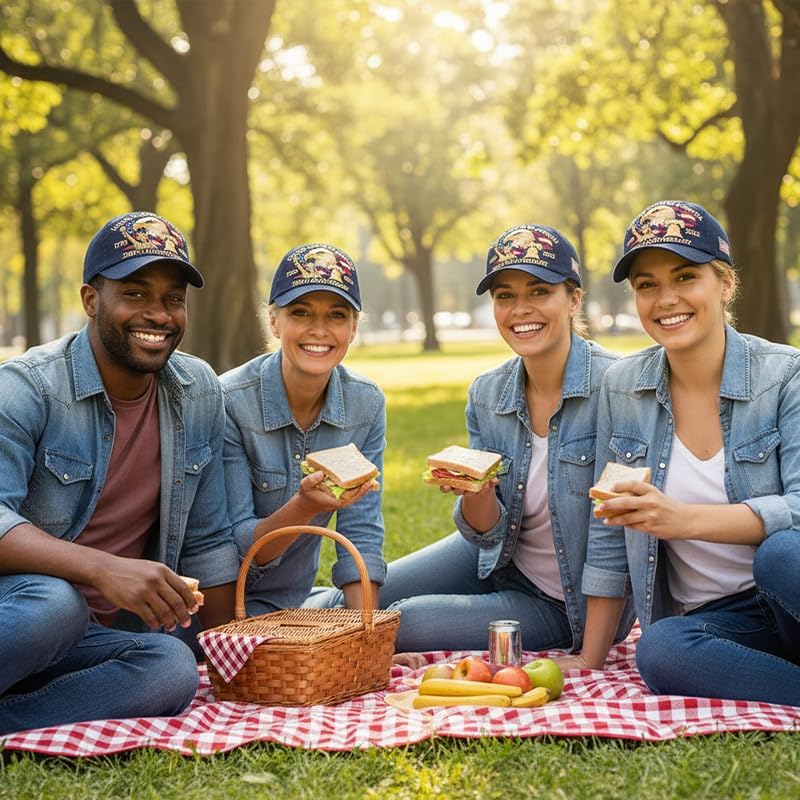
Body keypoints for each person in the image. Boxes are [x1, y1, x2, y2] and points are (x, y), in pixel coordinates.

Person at [0, 211, 239, 735]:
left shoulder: (198, 390)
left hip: (92, 638)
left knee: (170, 666)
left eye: (173, 298)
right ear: (91, 300)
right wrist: (102, 568)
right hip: (22, 612)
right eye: (135, 294)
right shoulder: (27, 388)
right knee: (55, 604)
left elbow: (209, 540)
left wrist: (235, 658)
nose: (159, 314)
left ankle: (11, 718)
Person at [351, 224, 635, 655]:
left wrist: (590, 659)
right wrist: (476, 491)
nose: (521, 309)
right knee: (364, 598)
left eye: (539, 291)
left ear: (574, 299)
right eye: (505, 295)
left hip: (563, 603)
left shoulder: (618, 386)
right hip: (497, 557)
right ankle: (260, 634)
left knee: (401, 624)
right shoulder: (488, 394)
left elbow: (614, 536)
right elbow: (487, 532)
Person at [567, 200, 800, 706]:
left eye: (685, 276)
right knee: (662, 648)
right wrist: (590, 659)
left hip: (792, 589)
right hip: (726, 621)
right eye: (647, 285)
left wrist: (683, 519)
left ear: (725, 284)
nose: (665, 299)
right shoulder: (623, 387)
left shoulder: (784, 374)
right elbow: (611, 527)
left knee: (782, 554)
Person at [221, 243, 386, 614]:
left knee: (401, 620)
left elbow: (361, 533)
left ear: (354, 327)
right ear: (274, 321)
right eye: (301, 312)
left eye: (337, 316)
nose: (319, 330)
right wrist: (303, 507)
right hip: (227, 607)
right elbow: (236, 550)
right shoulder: (229, 401)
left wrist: (368, 636)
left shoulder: (366, 404)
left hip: (292, 604)